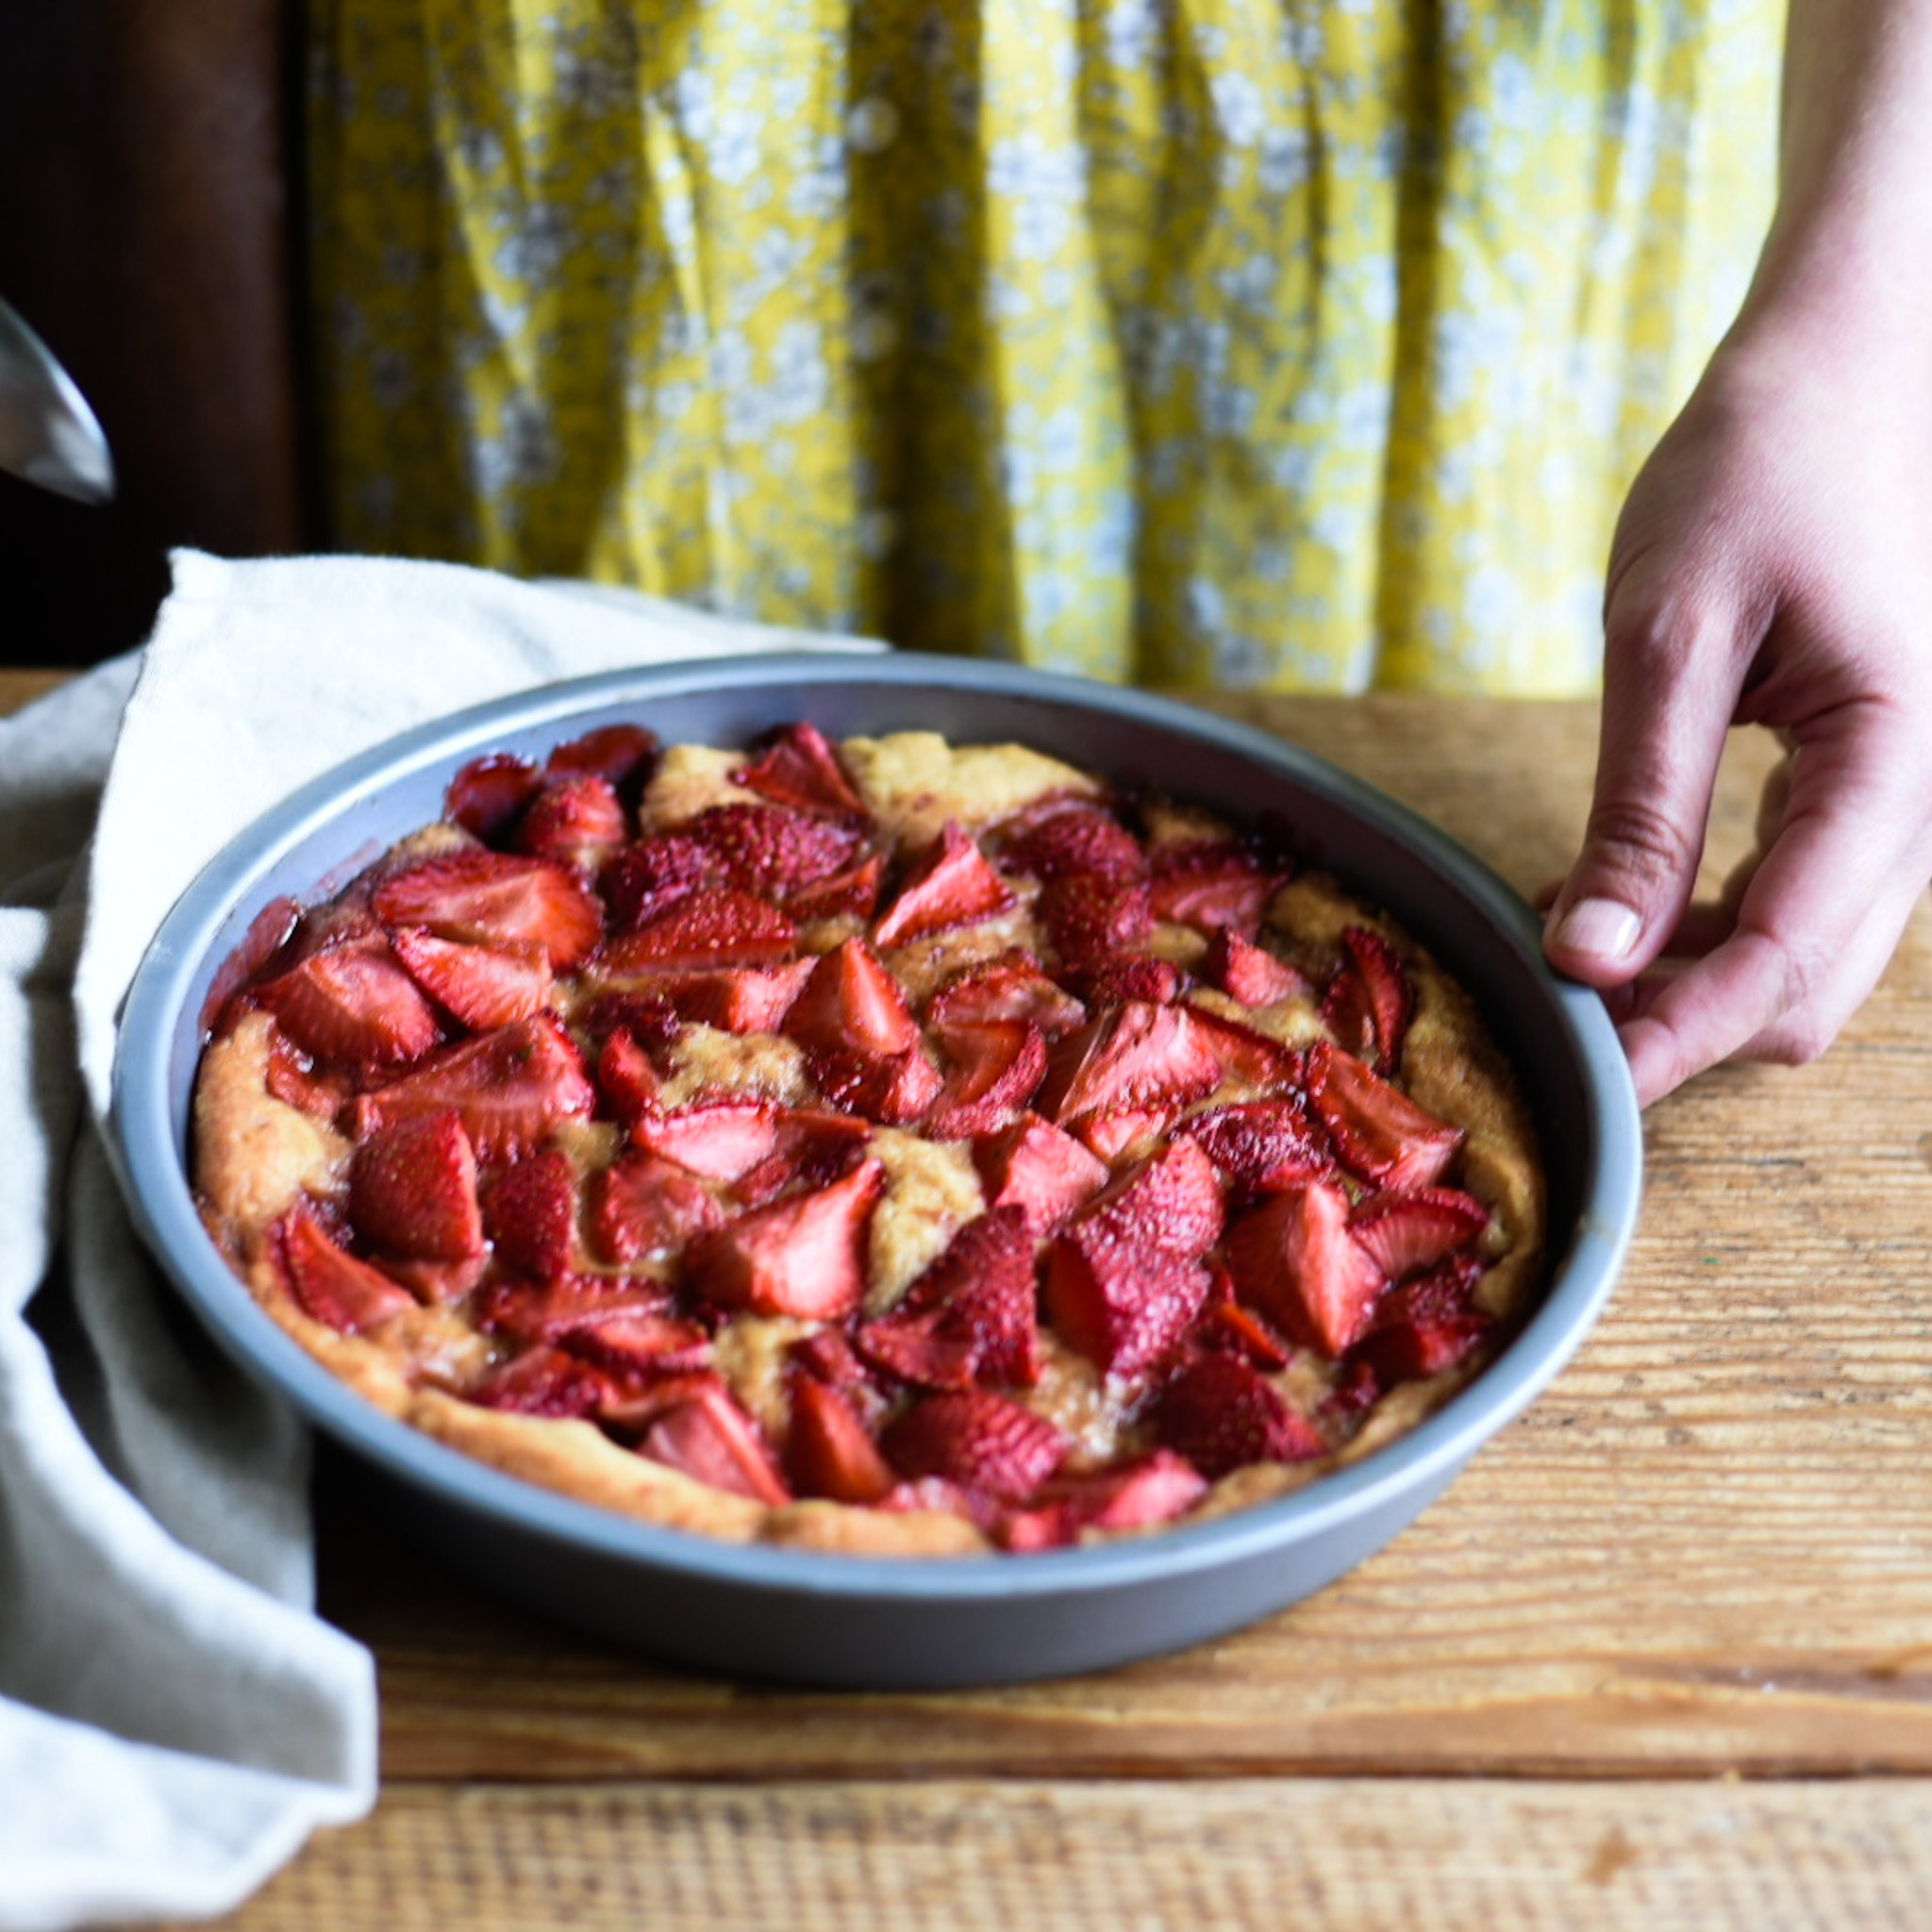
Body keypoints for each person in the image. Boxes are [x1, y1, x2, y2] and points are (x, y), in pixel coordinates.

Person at [317, 1, 1932, 1105]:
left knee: (1393, 895)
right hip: (646, 116)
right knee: (531, 700)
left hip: (1394, 128)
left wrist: (1865, 338)